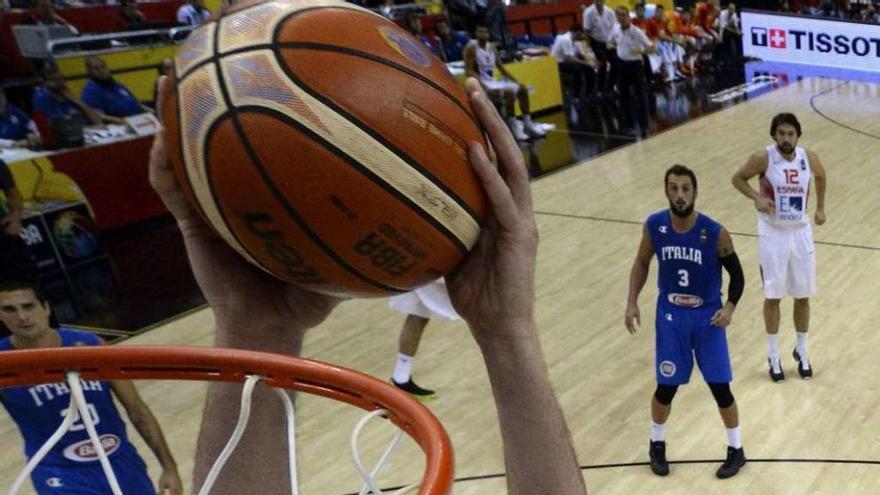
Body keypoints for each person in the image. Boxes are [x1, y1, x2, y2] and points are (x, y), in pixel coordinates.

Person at [149, 74, 587, 493]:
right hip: (410, 251)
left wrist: (255, 332)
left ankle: (402, 371)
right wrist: (253, 329)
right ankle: (402, 371)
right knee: (416, 318)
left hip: (412, 251)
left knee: (417, 318)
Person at [0, 279, 183, 495]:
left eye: (28, 306)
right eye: (9, 309)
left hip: (120, 462)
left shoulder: (91, 345)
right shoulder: (3, 361)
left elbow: (137, 410)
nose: (22, 317)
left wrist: (169, 467)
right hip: (59, 473)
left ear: (46, 308)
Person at [625, 164, 747, 479]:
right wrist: (631, 302)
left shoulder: (715, 232)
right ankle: (657, 444)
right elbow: (641, 262)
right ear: (667, 191)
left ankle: (736, 450)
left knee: (720, 387)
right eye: (674, 188)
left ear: (695, 192)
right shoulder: (654, 226)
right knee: (666, 387)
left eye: (685, 189)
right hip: (671, 317)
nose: (680, 195)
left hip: (707, 318)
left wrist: (730, 308)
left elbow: (737, 275)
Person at [731, 113, 827, 383]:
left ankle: (802, 350)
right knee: (773, 295)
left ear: (798, 136)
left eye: (791, 134)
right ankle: (773, 355)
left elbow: (820, 177)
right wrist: (756, 197)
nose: (786, 138)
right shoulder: (763, 157)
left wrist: (820, 208)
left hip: (800, 231)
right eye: (782, 133)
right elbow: (737, 179)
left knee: (803, 294)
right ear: (774, 135)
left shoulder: (810, 157)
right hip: (772, 232)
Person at [463, 23, 545, 141]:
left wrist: (515, 80)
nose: (483, 34)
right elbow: (468, 70)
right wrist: (484, 85)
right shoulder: (471, 48)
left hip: (492, 81)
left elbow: (500, 67)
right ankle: (514, 127)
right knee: (509, 93)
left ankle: (528, 124)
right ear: (476, 34)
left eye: (485, 32)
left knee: (522, 89)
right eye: (480, 31)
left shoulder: (492, 47)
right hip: (482, 83)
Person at [388, 279, 459, 400]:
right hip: (429, 271)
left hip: (425, 272)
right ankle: (400, 377)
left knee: (419, 314)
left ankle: (400, 377)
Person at [607, 6, 656, 138]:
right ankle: (629, 125)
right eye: (618, 15)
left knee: (640, 96)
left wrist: (640, 51)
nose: (621, 18)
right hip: (622, 65)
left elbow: (651, 48)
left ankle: (644, 125)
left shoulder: (637, 32)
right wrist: (613, 46)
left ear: (628, 16)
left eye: (623, 15)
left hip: (636, 65)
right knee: (624, 96)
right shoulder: (615, 29)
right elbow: (609, 42)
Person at [31, 67, 106, 128]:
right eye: (54, 80)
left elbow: (98, 122)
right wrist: (91, 128)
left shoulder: (68, 94)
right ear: (44, 83)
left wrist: (79, 103)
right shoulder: (41, 98)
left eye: (61, 79)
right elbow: (58, 129)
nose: (60, 83)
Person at [81, 56, 151, 118]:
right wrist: (122, 121)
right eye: (96, 68)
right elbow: (99, 116)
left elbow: (137, 104)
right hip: (119, 126)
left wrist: (153, 113)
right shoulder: (90, 92)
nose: (102, 71)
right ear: (90, 72)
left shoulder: (118, 85)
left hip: (138, 121)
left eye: (103, 67)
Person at [550, 24, 597, 102]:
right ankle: (576, 95)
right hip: (558, 63)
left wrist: (591, 61)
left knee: (588, 67)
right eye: (582, 33)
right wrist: (587, 63)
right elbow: (569, 58)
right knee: (578, 68)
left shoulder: (574, 40)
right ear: (577, 32)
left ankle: (589, 92)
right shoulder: (565, 39)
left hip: (565, 60)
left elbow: (582, 53)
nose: (583, 35)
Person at [582, 0, 617, 93]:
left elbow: (614, 28)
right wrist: (589, 47)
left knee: (615, 62)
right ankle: (600, 89)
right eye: (597, 1)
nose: (599, 3)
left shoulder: (610, 12)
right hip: (596, 41)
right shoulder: (588, 13)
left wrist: (614, 42)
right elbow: (586, 31)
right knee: (603, 63)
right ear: (594, 1)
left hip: (608, 41)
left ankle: (610, 85)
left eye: (601, 1)